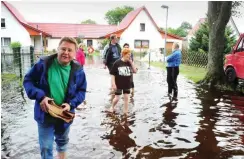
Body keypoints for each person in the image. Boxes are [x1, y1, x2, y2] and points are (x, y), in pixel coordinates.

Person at [23, 37, 87, 159]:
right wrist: (41, 96)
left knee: (62, 144)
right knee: (46, 147)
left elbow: (81, 91)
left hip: (65, 114)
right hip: (44, 113)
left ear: (75, 53)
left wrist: (71, 104)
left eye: (70, 50)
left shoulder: (78, 70)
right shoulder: (43, 64)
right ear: (57, 49)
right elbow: (28, 81)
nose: (66, 53)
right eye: (63, 49)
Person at [109, 48, 137, 115]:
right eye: (128, 55)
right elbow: (112, 74)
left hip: (127, 84)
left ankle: (125, 112)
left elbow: (135, 71)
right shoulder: (117, 63)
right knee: (117, 98)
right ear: (124, 54)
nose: (129, 56)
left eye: (130, 55)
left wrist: (131, 63)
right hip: (119, 83)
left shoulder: (129, 63)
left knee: (126, 98)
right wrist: (113, 84)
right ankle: (112, 107)